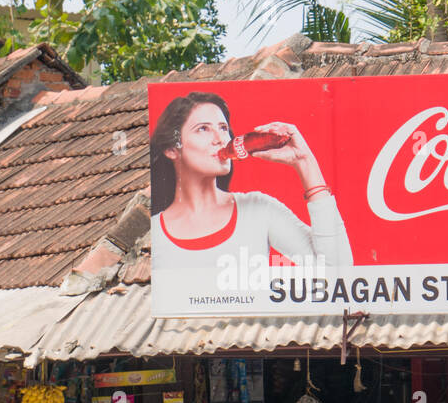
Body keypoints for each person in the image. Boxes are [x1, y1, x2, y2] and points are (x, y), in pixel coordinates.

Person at [149, 90, 352, 273]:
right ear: (171, 149)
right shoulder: (154, 233)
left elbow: (338, 272)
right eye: (203, 129)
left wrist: (304, 162)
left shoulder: (257, 209)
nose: (220, 139)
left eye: (223, 128)